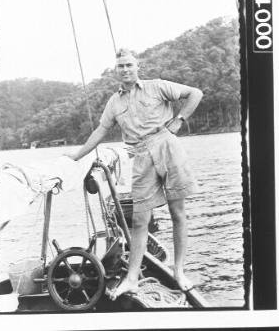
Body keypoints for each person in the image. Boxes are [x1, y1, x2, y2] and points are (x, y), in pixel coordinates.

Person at [66, 48, 203, 300]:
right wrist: (75, 156)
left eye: (129, 65)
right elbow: (100, 131)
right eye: (120, 66)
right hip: (140, 156)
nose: (125, 69)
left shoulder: (157, 86)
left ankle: (180, 271)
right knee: (140, 220)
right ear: (116, 71)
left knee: (178, 213)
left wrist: (180, 119)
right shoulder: (114, 102)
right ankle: (131, 280)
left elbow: (195, 93)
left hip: (168, 145)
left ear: (137, 66)